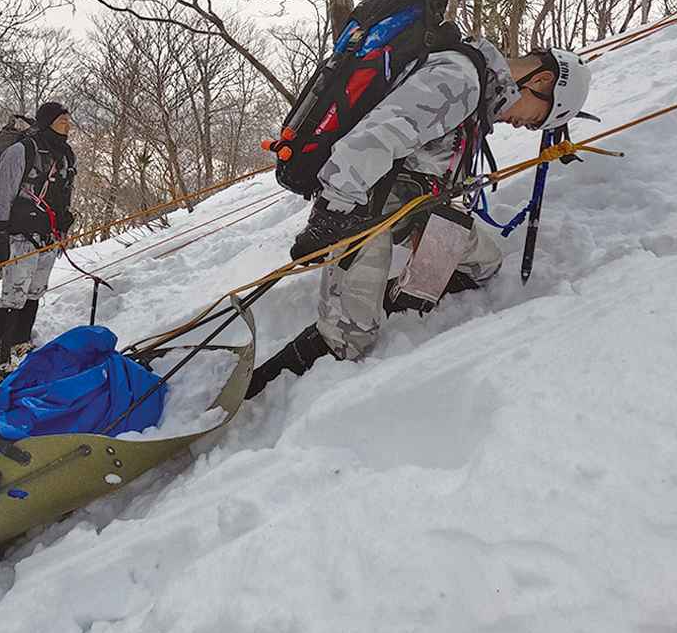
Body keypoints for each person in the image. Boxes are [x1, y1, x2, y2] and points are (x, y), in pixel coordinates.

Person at [246, 38, 595, 399]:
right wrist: (330, 217)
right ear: (541, 82)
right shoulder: (460, 81)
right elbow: (368, 142)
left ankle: (386, 300)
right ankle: (254, 398)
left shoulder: (476, 91)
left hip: (410, 206)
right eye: (535, 119)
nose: (522, 126)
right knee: (349, 338)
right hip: (360, 210)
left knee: (484, 263)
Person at [0, 102, 78, 383]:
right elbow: (3, 194)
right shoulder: (21, 151)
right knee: (14, 294)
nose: (67, 126)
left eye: (68, 121)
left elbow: (65, 192)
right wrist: (0, 235)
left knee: (35, 290)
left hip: (49, 234)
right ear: (47, 122)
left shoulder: (66, 154)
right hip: (20, 235)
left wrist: (64, 223)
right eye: (62, 121)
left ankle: (19, 342)